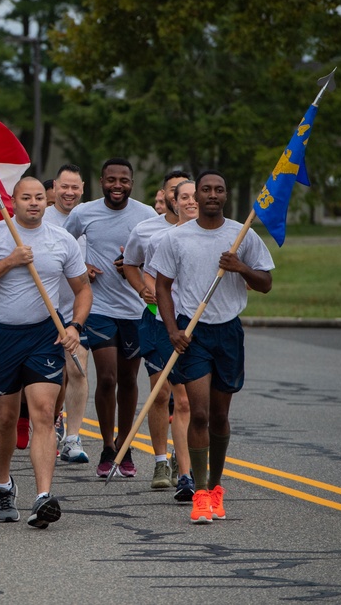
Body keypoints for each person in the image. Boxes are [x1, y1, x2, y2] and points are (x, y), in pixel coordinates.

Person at [0, 177, 91, 527]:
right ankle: (3, 483)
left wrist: (74, 327)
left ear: (46, 202)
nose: (33, 203)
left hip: (43, 336)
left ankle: (42, 496)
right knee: (4, 417)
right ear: (13, 202)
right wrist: (10, 261)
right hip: (0, 335)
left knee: (44, 414)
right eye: (26, 198)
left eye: (38, 198)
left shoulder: (61, 240)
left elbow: (83, 290)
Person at [150, 170, 273, 524]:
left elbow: (265, 283)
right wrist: (172, 329)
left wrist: (240, 267)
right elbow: (162, 287)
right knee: (198, 413)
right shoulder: (177, 238)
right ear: (195, 197)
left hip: (228, 332)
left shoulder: (240, 234)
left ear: (225, 195)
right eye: (206, 190)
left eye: (219, 189)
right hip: (193, 332)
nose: (212, 195)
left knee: (220, 416)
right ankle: (200, 493)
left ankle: (216, 486)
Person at [64, 158, 157, 478]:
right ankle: (106, 446)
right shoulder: (83, 213)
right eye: (111, 180)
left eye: (124, 181)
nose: (118, 186)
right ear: (101, 180)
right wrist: (81, 267)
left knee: (129, 380)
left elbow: (157, 257)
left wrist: (134, 266)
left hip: (135, 309)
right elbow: (65, 246)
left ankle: (125, 444)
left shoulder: (146, 215)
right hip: (100, 308)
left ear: (132, 182)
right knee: (106, 377)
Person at [121, 170, 192, 490]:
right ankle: (162, 461)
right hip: (156, 320)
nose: (184, 199)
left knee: (188, 400)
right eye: (176, 193)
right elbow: (129, 264)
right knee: (162, 393)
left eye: (188, 192)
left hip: (191, 321)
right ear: (166, 197)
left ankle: (184, 458)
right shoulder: (147, 229)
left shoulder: (204, 231)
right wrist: (141, 288)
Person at [44, 164, 89, 463]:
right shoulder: (42, 218)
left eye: (75, 187)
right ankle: (49, 424)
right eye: (64, 187)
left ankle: (72, 438)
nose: (69, 192)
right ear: (55, 187)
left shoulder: (87, 218)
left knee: (77, 367)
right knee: (50, 378)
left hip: (75, 307)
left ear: (83, 188)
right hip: (43, 309)